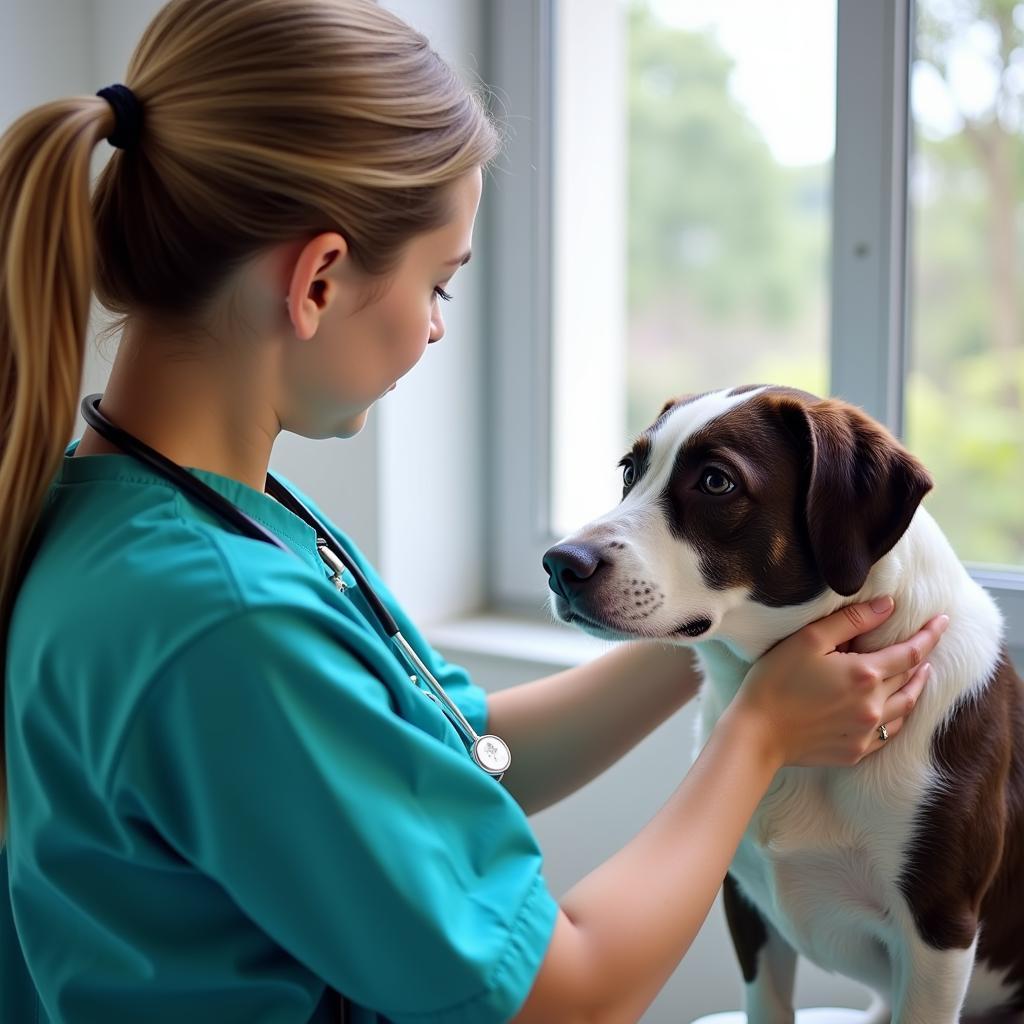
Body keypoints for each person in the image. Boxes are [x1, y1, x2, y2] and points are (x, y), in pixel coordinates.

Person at [0, 1, 947, 1021]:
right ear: (317, 280)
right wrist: (755, 736)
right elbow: (563, 996)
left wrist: (716, 621)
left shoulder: (148, 515)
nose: (439, 328)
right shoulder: (226, 618)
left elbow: (469, 747)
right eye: (441, 283)